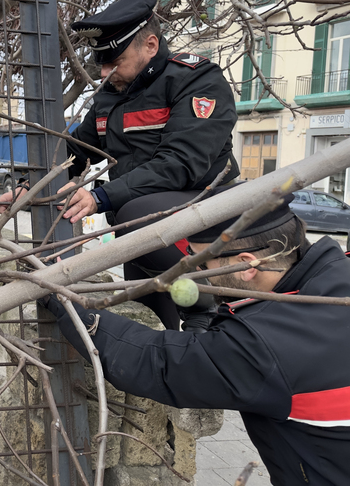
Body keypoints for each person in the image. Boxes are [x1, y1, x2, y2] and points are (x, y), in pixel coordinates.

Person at [40, 188, 350, 484]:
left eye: (204, 262)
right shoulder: (337, 276)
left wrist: (64, 302)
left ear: (247, 265)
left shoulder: (267, 345)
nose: (196, 270)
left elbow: (156, 362)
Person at [0, 0, 239, 331]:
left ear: (150, 45)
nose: (104, 72)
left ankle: (211, 307)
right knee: (143, 293)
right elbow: (76, 154)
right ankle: (180, 337)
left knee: (131, 216)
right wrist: (28, 189)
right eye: (100, 62)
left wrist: (100, 197)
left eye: (113, 61)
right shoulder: (111, 95)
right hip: (144, 217)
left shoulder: (195, 80)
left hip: (202, 208)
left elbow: (181, 163)